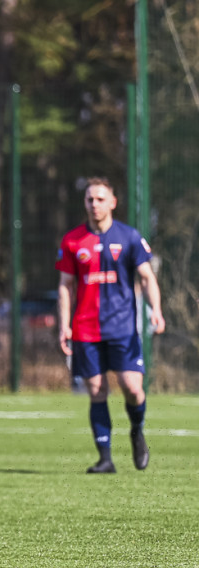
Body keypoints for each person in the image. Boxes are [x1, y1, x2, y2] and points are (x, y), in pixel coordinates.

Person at [56, 177, 165, 474]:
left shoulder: (129, 237)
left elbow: (147, 277)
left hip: (122, 328)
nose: (94, 204)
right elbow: (66, 285)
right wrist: (64, 325)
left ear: (113, 202)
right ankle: (105, 458)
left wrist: (156, 309)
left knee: (133, 388)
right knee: (96, 389)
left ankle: (137, 430)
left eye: (100, 199)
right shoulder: (73, 240)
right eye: (90, 199)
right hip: (85, 329)